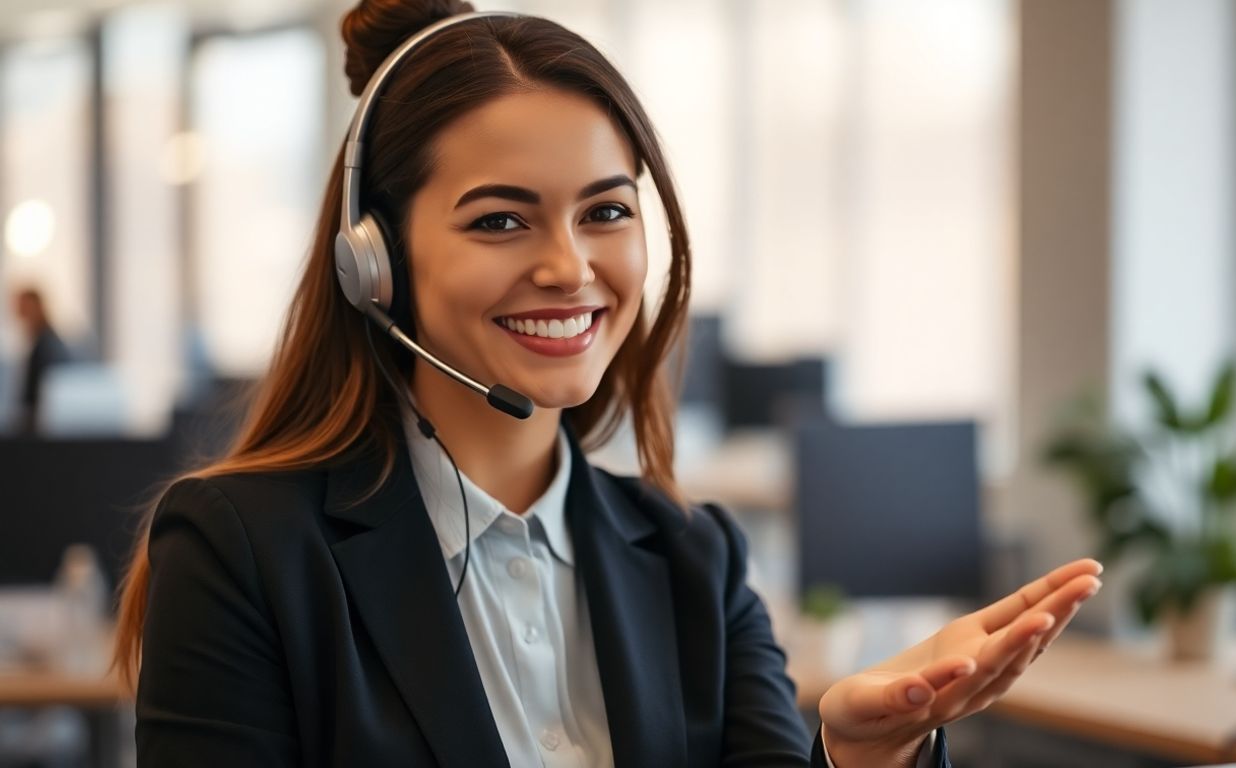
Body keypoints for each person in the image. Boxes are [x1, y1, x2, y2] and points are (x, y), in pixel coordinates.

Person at [112, 2, 1104, 766]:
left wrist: (858, 752)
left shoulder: (692, 562)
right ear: (372, 259)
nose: (568, 267)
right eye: (500, 220)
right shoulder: (244, 550)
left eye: (605, 212)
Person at [11, 287, 68, 436]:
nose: (17, 310)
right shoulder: (39, 340)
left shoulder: (46, 343)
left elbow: (46, 387)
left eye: (22, 304)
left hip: (42, 422)